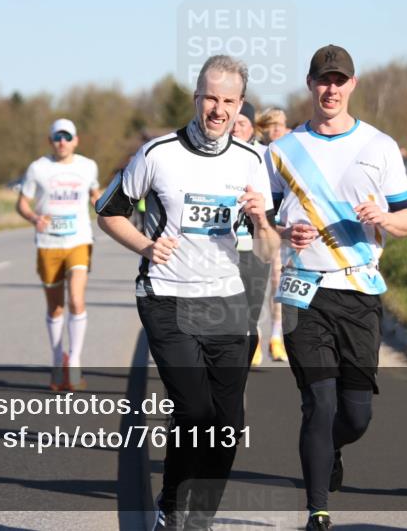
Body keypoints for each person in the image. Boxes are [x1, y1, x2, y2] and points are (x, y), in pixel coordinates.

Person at [96, 55, 279, 531]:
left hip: (226, 301)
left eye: (229, 101)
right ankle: (172, 507)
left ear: (240, 106)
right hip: (166, 296)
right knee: (194, 410)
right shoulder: (158, 154)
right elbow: (109, 210)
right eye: (211, 98)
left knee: (227, 426)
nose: (219, 109)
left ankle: (197, 519)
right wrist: (146, 245)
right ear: (196, 97)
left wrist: (261, 219)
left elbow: (267, 249)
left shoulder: (253, 161)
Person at [267, 44, 407, 531]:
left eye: (339, 80)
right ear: (310, 85)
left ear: (352, 85)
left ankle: (332, 447)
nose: (330, 89)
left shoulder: (379, 146)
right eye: (322, 80)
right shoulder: (283, 150)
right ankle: (317, 510)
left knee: (355, 416)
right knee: (320, 401)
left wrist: (386, 219)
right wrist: (283, 232)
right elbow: (262, 218)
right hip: (303, 291)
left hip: (358, 291)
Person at [16, 119, 102, 391]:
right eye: (57, 137)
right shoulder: (38, 168)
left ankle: (74, 361)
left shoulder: (88, 166)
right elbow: (21, 203)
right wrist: (33, 217)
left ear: (76, 140)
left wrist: (103, 204)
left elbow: (94, 193)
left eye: (67, 136)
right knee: (55, 307)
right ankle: (57, 358)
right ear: (50, 141)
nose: (62, 141)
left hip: (79, 239)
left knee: (76, 299)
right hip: (48, 243)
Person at [231, 101, 274, 367]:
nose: (236, 128)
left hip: (257, 248)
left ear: (252, 128)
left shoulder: (267, 156)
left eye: (242, 123)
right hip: (225, 249)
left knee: (250, 317)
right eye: (232, 122)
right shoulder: (216, 157)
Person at [255, 107, 290, 362]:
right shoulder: (254, 153)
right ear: (263, 128)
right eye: (273, 125)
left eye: (282, 124)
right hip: (257, 228)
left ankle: (276, 338)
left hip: (283, 230)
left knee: (278, 284)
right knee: (255, 285)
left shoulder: (292, 154)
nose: (277, 129)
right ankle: (254, 339)